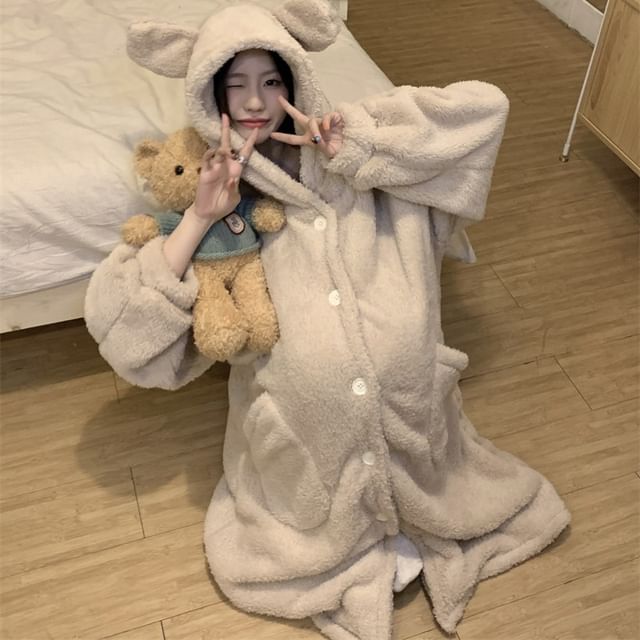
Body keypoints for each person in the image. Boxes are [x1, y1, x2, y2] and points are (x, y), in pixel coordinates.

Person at [86, 2, 570, 638]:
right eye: (236, 86)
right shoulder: (204, 184)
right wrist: (202, 217)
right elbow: (124, 336)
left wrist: (358, 147)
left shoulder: (356, 148)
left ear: (296, 81)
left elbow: (486, 111)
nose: (254, 102)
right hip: (300, 461)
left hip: (416, 433)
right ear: (211, 99)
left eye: (271, 81)